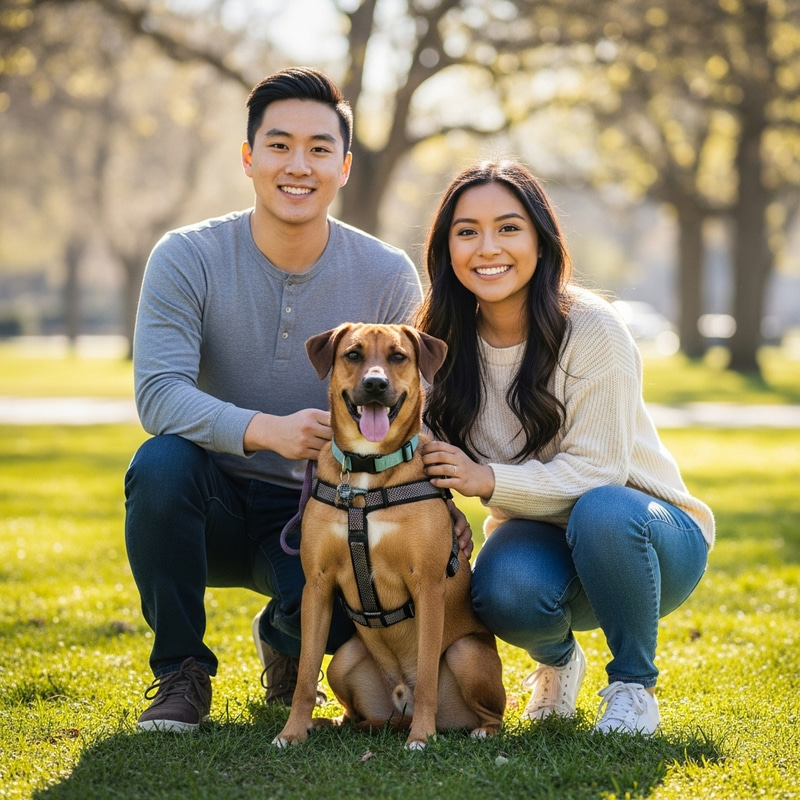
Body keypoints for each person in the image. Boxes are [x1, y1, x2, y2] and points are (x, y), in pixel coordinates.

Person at [124, 67, 425, 732]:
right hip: (210, 504)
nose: (299, 165)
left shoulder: (386, 275)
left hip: (326, 511)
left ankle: (286, 639)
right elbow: (158, 395)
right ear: (248, 157)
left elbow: (414, 407)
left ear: (343, 168)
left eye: (320, 149)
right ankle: (182, 672)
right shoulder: (186, 257)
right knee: (159, 465)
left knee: (348, 627)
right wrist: (266, 429)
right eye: (279, 144)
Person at [417, 160, 714, 735]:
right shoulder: (439, 342)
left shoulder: (593, 328)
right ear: (446, 248)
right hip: (539, 536)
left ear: (540, 239)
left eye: (508, 227)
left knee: (601, 507)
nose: (487, 247)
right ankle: (557, 662)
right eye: (467, 231)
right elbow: (427, 446)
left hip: (649, 537)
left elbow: (601, 470)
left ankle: (633, 687)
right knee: (501, 590)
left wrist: (488, 481)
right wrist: (447, 507)